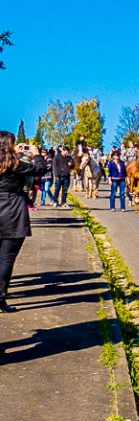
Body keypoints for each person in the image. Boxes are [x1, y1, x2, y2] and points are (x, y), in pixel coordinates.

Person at [0, 133, 49, 312]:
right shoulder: (16, 165)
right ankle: (0, 297)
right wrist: (36, 153)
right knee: (6, 258)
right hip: (13, 211)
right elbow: (41, 169)